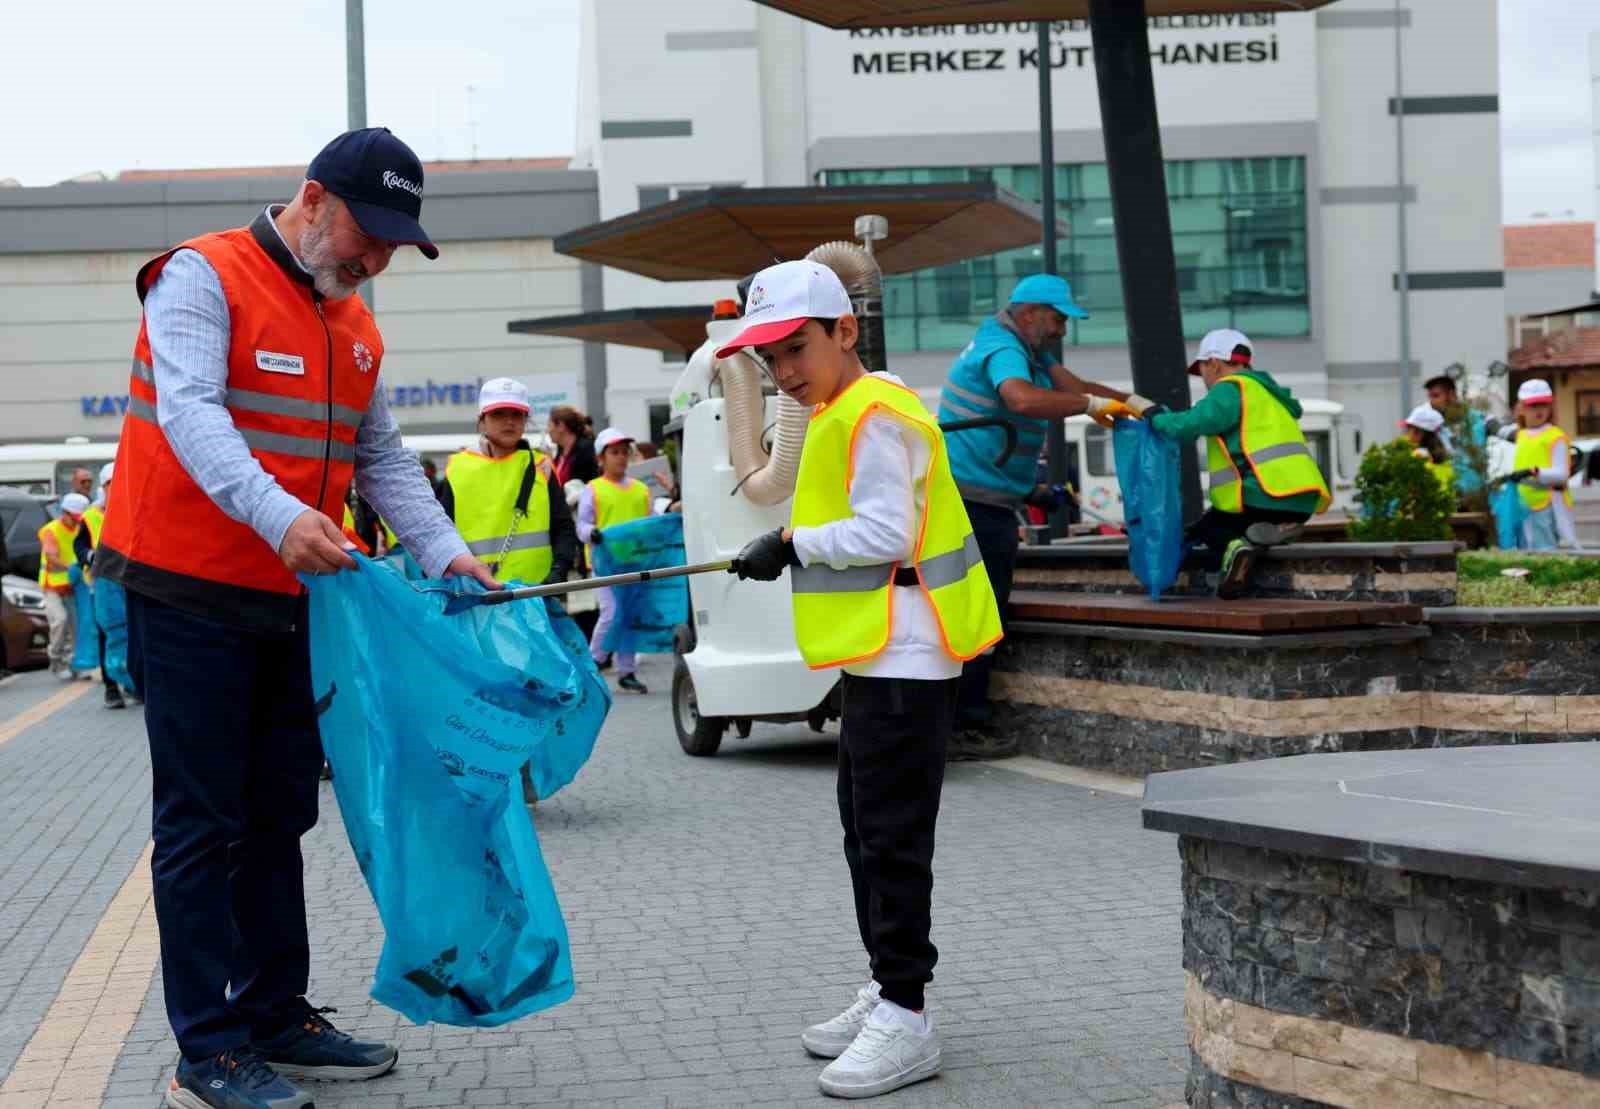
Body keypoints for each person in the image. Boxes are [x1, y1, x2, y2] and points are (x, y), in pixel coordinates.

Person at [95, 127, 500, 1109]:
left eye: (394, 245)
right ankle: (207, 1047)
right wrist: (279, 516)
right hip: (186, 588)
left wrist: (446, 550)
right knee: (201, 821)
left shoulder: (354, 324)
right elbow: (191, 410)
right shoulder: (202, 276)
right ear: (313, 200)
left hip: (290, 600)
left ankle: (275, 1012)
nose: (375, 261)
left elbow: (382, 455)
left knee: (279, 813)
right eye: (369, 234)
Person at [724, 259, 1001, 1100]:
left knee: (889, 837)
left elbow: (885, 530)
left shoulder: (876, 413)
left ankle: (907, 1016)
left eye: (795, 348)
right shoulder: (842, 407)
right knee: (866, 826)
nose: (784, 371)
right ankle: (888, 987)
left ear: (845, 331)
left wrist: (790, 545)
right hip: (883, 651)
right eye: (770, 357)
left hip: (908, 654)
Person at [936, 273, 1143, 754]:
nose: (1062, 329)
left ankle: (954, 723)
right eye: (1058, 319)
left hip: (980, 501)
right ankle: (963, 727)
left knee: (973, 612)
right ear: (1029, 313)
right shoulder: (1004, 349)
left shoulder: (1026, 350)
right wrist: (1090, 404)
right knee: (979, 615)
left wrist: (1134, 404)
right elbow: (1021, 399)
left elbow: (1076, 385)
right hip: (974, 509)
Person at [1150, 329, 1330, 598]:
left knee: (1208, 529)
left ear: (1214, 363)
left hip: (1265, 496)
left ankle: (1237, 548)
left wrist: (1155, 419)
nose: (1203, 378)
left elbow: (1190, 425)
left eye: (1202, 370)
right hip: (1300, 501)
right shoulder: (1269, 395)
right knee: (1222, 523)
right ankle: (1278, 530)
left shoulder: (1231, 388)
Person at [438, 377, 578, 594]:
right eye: (498, 414)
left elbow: (563, 527)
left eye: (516, 414)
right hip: (475, 595)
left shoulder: (541, 467)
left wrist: (559, 570)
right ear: (482, 421)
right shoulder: (457, 469)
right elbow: (441, 533)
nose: (509, 421)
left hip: (536, 594)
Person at [576, 427, 677, 694]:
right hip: (605, 566)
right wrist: (592, 533)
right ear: (601, 458)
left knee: (630, 615)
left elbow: (650, 523)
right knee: (611, 614)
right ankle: (593, 662)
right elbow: (582, 525)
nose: (621, 457)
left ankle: (626, 671)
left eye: (624, 452)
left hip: (635, 564)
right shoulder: (593, 489)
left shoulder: (641, 490)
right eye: (614, 452)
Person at [72, 463, 128, 708]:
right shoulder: (91, 516)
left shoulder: (132, 509)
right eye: (109, 484)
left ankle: (132, 682)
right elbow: (79, 546)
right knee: (108, 634)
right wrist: (89, 555)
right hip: (103, 586)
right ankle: (111, 687)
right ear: (103, 487)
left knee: (132, 633)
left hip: (130, 583)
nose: (114, 488)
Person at [1505, 379, 1580, 550]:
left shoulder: (1555, 436)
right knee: (1524, 551)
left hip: (1547, 503)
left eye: (1543, 404)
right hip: (1522, 504)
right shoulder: (1521, 436)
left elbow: (1562, 474)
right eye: (1533, 405)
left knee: (1546, 550)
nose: (1539, 410)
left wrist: (1535, 472)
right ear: (1522, 408)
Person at [39, 492, 90, 680]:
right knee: (60, 620)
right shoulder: (51, 531)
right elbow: (51, 558)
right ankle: (56, 659)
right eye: (74, 517)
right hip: (52, 586)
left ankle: (76, 663)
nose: (77, 521)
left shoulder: (80, 529)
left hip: (73, 586)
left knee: (76, 626)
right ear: (65, 512)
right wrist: (72, 566)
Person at [1398, 405, 1455, 495]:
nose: (1407, 434)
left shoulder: (1418, 457)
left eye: (1409, 429)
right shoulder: (1448, 457)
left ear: (1419, 433)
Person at [547, 405, 598, 487]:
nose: (548, 430)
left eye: (549, 426)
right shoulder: (560, 452)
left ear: (561, 426)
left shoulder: (585, 451)